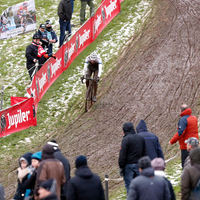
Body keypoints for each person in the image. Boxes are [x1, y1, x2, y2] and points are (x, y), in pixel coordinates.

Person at [118, 122, 146, 194]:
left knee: (129, 187)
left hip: (128, 166)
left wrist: (121, 166)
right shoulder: (141, 138)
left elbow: (122, 154)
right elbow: (144, 153)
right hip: (139, 165)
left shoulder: (126, 139)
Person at [169, 104, 199, 168]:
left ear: (181, 111)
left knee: (185, 165)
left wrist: (172, 141)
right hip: (195, 145)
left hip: (186, 146)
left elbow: (180, 132)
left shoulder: (183, 119)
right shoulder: (194, 117)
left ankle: (187, 177)